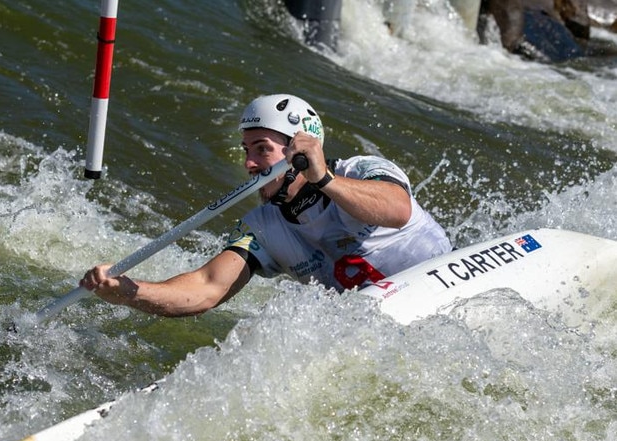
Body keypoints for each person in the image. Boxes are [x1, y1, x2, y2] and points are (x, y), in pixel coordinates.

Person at [80, 94, 452, 316]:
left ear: (301, 148)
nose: (249, 163)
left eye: (262, 150)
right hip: (377, 324)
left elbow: (397, 209)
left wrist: (324, 178)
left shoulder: (362, 169)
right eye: (247, 150)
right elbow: (207, 288)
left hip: (448, 286)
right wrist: (131, 292)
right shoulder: (261, 226)